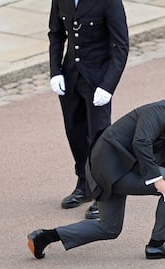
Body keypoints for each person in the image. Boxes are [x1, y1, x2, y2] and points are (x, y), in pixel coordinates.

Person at [28, 87, 165, 259]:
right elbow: (141, 142)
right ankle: (159, 243)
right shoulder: (160, 113)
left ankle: (44, 237)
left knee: (108, 228)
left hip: (108, 171)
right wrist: (159, 181)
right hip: (113, 171)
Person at [48, 0, 129, 219]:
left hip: (97, 80)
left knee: (100, 139)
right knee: (74, 133)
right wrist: (55, 70)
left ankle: (103, 193)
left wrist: (108, 86)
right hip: (71, 78)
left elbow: (121, 46)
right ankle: (84, 185)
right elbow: (56, 33)